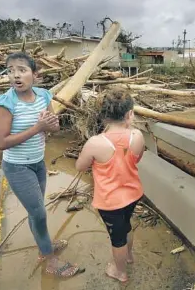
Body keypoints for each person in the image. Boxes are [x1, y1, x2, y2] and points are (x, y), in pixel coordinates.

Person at [0, 52, 83, 278]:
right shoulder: (5, 103)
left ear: (35, 75)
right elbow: (2, 143)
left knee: (36, 210)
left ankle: (45, 247)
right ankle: (49, 259)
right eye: (10, 70)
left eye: (21, 70)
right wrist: (37, 127)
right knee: (39, 213)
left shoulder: (43, 95)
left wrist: (50, 125)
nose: (15, 75)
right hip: (17, 167)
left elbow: (54, 127)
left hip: (37, 163)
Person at [75, 89, 145, 283]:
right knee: (126, 225)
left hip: (110, 202)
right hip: (133, 194)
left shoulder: (95, 143)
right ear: (129, 114)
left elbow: (80, 166)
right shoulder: (137, 136)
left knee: (117, 238)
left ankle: (120, 271)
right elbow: (137, 158)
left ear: (103, 115)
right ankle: (129, 257)